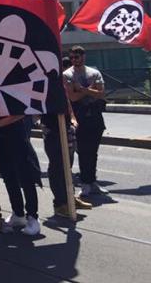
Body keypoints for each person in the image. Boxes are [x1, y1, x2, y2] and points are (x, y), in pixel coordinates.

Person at [65, 46, 109, 196]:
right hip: (79, 117)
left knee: (93, 151)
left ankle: (92, 181)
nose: (74, 60)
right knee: (83, 151)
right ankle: (85, 183)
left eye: (77, 57)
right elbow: (72, 97)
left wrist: (81, 89)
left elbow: (101, 94)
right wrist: (90, 90)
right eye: (72, 57)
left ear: (84, 57)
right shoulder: (67, 74)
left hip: (95, 116)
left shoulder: (94, 72)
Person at [0, 115, 42, 235]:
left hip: (16, 133)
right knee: (8, 176)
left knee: (26, 176)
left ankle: (33, 217)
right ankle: (18, 213)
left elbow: (21, 111)